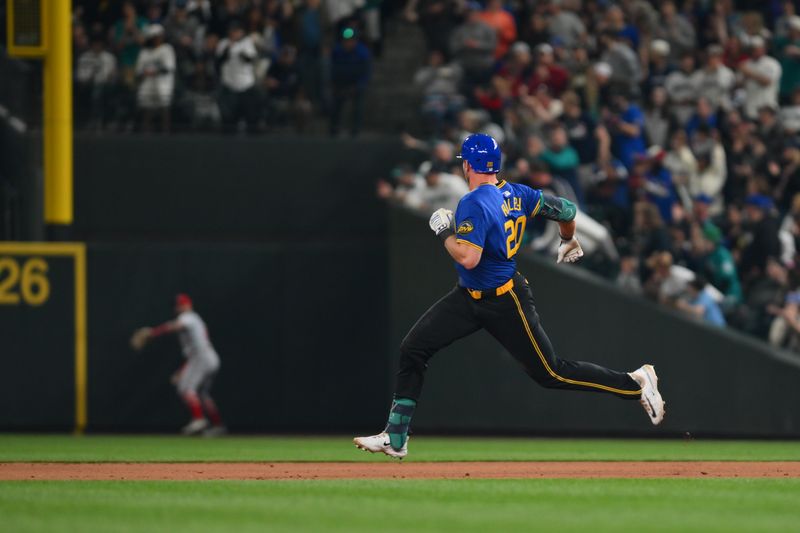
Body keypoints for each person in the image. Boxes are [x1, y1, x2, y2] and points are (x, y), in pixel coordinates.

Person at [353, 133, 665, 459]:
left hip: (504, 300)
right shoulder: (516, 193)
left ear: (469, 165)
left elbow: (467, 258)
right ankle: (396, 436)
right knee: (414, 348)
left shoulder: (474, 201)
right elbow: (567, 209)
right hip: (470, 296)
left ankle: (636, 383)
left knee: (552, 373)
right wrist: (567, 239)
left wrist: (443, 229)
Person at [130, 294, 225, 436]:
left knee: (185, 388)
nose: (180, 307)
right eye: (179, 305)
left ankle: (199, 420)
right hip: (209, 357)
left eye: (182, 304)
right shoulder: (196, 318)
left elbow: (176, 326)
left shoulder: (188, 317)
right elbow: (193, 350)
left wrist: (152, 332)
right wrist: (183, 370)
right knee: (202, 394)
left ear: (188, 305)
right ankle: (217, 425)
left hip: (201, 357)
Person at [134, 24, 176, 132]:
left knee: (164, 107)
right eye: (154, 37)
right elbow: (138, 71)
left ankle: (165, 133)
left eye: (159, 36)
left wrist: (153, 72)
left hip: (162, 82)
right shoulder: (144, 52)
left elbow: (169, 68)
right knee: (147, 109)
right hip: (147, 83)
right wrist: (146, 73)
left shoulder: (167, 49)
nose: (157, 38)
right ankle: (146, 135)